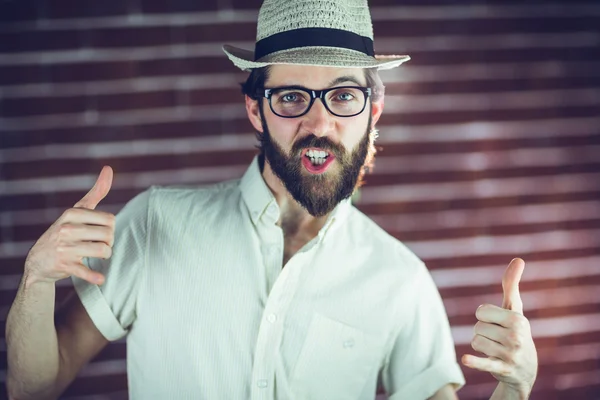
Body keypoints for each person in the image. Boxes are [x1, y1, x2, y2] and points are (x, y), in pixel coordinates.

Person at [5, 0, 538, 399]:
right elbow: (35, 387)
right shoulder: (154, 224)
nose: (319, 123)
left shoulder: (401, 279)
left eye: (344, 95)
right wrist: (36, 281)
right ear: (256, 111)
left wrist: (514, 390)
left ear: (372, 114)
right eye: (290, 97)